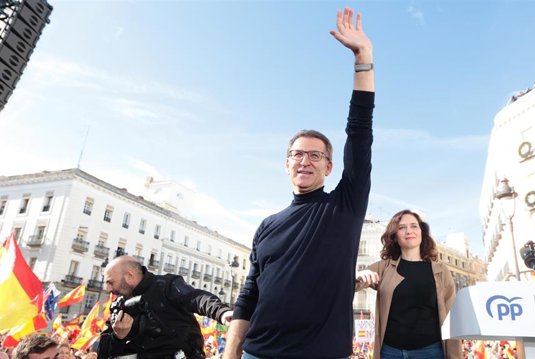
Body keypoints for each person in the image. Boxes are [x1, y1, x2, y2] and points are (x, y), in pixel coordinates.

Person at [223, 7, 375, 359]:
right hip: (256, 354)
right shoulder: (267, 226)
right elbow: (249, 294)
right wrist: (231, 353)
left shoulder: (344, 206)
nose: (304, 160)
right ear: (286, 163)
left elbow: (360, 132)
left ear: (330, 166)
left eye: (315, 155)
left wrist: (363, 59)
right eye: (297, 154)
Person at [355, 210, 462, 359]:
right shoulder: (383, 267)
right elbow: (347, 286)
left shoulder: (440, 270)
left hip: (431, 351)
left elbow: (452, 315)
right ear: (395, 236)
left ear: (422, 232)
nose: (408, 231)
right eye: (401, 227)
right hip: (390, 352)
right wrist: (357, 276)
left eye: (414, 226)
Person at [97, 256, 233, 359]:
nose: (108, 289)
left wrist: (221, 312)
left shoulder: (166, 286)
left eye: (111, 282)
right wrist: (118, 337)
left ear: (130, 276)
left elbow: (195, 298)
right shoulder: (118, 306)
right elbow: (103, 353)